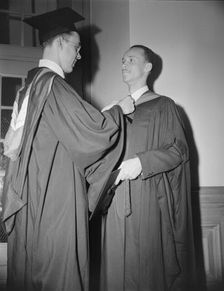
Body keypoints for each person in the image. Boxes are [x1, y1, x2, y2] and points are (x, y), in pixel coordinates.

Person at [1, 7, 134, 291]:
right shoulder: (53, 86)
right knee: (58, 273)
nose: (79, 54)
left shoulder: (28, 88)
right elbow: (94, 133)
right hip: (53, 201)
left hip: (29, 201)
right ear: (60, 42)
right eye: (76, 47)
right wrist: (118, 112)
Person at [99, 45, 196, 291]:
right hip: (115, 201)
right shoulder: (114, 110)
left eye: (131, 59)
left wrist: (142, 162)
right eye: (122, 60)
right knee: (115, 270)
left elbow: (179, 151)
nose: (124, 64)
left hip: (148, 198)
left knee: (145, 272)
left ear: (147, 67)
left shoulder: (163, 106)